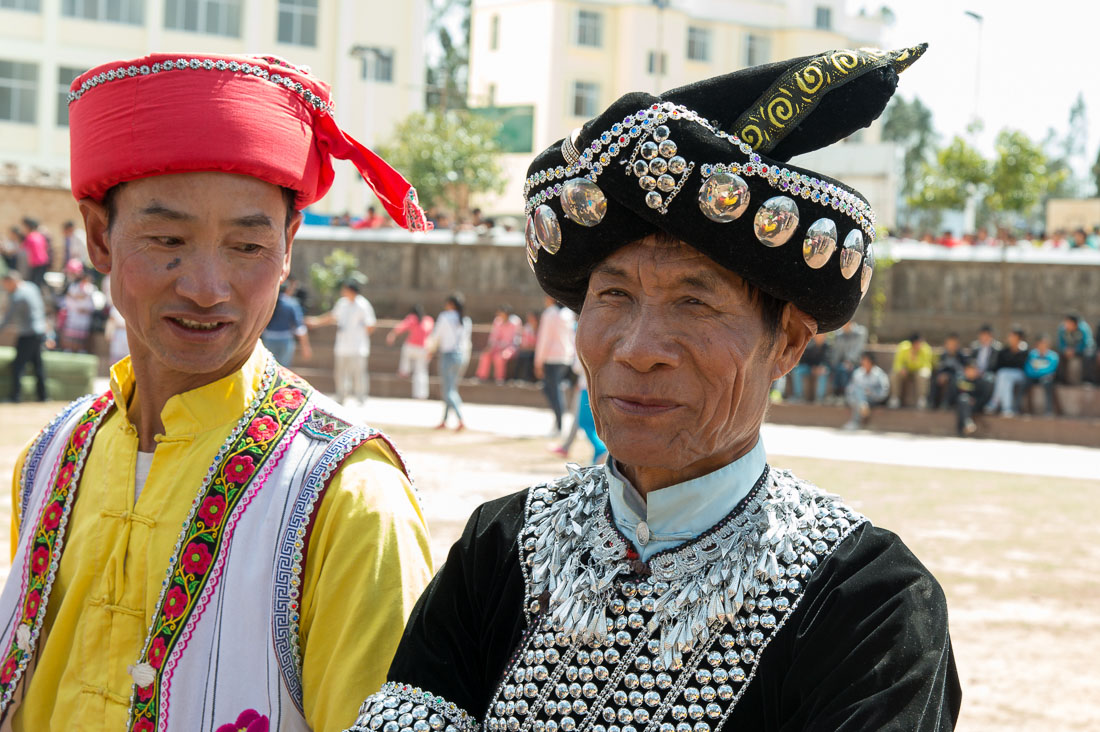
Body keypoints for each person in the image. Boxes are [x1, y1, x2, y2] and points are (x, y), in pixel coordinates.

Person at [348, 44, 959, 732]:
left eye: (694, 303)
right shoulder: (503, 547)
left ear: (787, 342)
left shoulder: (867, 600)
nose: (638, 350)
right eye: (613, 295)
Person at [0, 53, 435, 731]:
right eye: (167, 238)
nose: (207, 286)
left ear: (289, 245)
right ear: (98, 237)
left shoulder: (347, 500)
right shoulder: (49, 461)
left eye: (246, 246)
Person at [307, 279, 377, 406]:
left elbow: (371, 324)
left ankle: (361, 398)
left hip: (357, 347)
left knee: (358, 374)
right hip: (342, 346)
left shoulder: (363, 305)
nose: (342, 291)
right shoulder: (342, 303)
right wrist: (317, 322)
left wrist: (360, 335)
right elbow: (333, 316)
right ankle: (341, 396)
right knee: (340, 373)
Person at [1, 268, 49, 402]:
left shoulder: (18, 296)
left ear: (12, 281)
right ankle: (43, 396)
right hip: (39, 331)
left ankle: (15, 396)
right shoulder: (32, 287)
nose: (6, 288)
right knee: (38, 366)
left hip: (28, 334)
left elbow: (8, 318)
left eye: (6, 285)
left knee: (18, 366)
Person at [534, 296, 576, 435]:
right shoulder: (568, 313)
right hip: (566, 357)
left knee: (553, 391)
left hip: (552, 358)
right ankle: (558, 422)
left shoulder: (550, 313)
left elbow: (544, 338)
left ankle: (559, 425)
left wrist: (538, 361)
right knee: (554, 390)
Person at [430, 293, 467, 430]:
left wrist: (430, 350)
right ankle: (444, 420)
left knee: (448, 390)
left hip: (448, 355)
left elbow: (436, 336)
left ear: (451, 304)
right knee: (451, 388)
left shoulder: (444, 317)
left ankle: (460, 418)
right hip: (461, 357)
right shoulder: (465, 320)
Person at [388, 305, 434, 399]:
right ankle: (421, 394)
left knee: (405, 352)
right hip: (423, 349)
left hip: (411, 347)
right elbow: (431, 335)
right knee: (421, 372)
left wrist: (392, 334)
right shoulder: (428, 320)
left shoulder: (412, 318)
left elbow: (401, 326)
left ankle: (404, 370)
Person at [262, 282, 313, 367]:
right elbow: (300, 329)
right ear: (287, 290)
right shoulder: (291, 304)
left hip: (268, 339)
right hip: (285, 341)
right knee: (283, 368)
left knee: (268, 367)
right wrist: (305, 346)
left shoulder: (267, 303)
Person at [984, 328, 1029, 417]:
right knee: (1003, 376)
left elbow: (1022, 366)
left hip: (1021, 376)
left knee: (1003, 374)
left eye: (1013, 336)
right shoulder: (1004, 351)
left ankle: (994, 403)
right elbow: (998, 366)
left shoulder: (1024, 351)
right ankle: (1007, 408)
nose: (1011, 338)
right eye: (1010, 336)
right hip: (1004, 376)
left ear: (1019, 338)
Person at [58, 270, 104, 353]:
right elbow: (69, 300)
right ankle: (68, 348)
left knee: (82, 335)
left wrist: (86, 310)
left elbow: (94, 302)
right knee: (71, 334)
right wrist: (76, 308)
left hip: (85, 315)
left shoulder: (92, 289)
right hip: (74, 314)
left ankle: (81, 349)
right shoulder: (74, 287)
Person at [475, 304, 522, 384]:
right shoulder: (497, 321)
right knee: (485, 355)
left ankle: (499, 379)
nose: (499, 315)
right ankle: (481, 377)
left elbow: (515, 340)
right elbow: (494, 337)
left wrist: (504, 348)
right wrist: (490, 347)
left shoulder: (516, 322)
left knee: (499, 357)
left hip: (510, 348)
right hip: (497, 347)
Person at [844, 351, 890, 430]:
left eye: (866, 361)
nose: (863, 363)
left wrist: (872, 393)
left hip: (874, 399)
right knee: (859, 393)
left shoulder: (879, 374)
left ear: (871, 362)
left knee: (860, 398)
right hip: (857, 399)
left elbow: (884, 392)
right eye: (862, 360)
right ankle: (863, 406)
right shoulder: (857, 373)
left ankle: (855, 421)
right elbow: (850, 389)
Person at [887, 332, 934, 408]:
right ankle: (894, 398)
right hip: (905, 372)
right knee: (894, 374)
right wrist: (902, 369)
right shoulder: (903, 347)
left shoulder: (926, 349)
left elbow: (927, 365)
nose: (918, 345)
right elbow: (897, 363)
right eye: (917, 343)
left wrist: (915, 360)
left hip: (918, 372)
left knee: (923, 374)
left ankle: (922, 399)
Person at [829, 318, 867, 399]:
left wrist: (849, 361)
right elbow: (837, 352)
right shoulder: (839, 335)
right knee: (837, 368)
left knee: (843, 370)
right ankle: (837, 395)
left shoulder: (860, 332)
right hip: (841, 364)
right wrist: (833, 364)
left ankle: (844, 395)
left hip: (856, 363)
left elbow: (858, 350)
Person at [788, 332, 831, 402]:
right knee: (797, 371)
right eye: (819, 335)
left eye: (823, 336)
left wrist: (821, 367)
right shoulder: (809, 346)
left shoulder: (827, 347)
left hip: (821, 368)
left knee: (824, 373)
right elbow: (803, 360)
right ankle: (799, 396)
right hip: (808, 367)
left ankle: (820, 398)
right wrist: (812, 368)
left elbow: (829, 360)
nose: (821, 337)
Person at [1024, 335, 1059, 415]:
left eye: (1044, 344)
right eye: (1040, 344)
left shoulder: (1053, 356)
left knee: (1047, 383)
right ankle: (1021, 409)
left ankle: (1049, 410)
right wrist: (1037, 373)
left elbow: (1051, 369)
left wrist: (1038, 371)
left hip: (1045, 378)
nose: (1042, 346)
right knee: (1024, 383)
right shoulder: (1032, 354)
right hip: (1033, 377)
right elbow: (1028, 369)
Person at [955, 359, 991, 436]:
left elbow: (985, 397)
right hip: (963, 404)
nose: (970, 372)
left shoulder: (982, 382)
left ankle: (964, 426)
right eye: (968, 370)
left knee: (963, 403)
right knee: (963, 400)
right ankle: (967, 424)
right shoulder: (961, 380)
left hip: (976, 406)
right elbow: (956, 393)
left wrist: (975, 401)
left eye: (972, 370)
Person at [930, 332, 967, 408]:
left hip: (955, 376)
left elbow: (962, 370)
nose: (951, 346)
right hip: (944, 375)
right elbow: (940, 367)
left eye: (953, 344)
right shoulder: (943, 355)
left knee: (953, 381)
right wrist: (941, 375)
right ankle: (932, 402)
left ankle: (947, 403)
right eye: (949, 344)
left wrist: (948, 375)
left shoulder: (961, 356)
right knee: (935, 379)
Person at [1056, 313, 1094, 385]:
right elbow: (1060, 343)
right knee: (1058, 355)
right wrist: (1065, 350)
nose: (1066, 324)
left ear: (1075, 323)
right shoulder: (1062, 329)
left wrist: (1075, 351)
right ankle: (1061, 379)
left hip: (1081, 351)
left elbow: (1087, 343)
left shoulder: (1084, 328)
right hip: (1067, 350)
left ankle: (1087, 379)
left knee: (1088, 355)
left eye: (1069, 323)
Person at [20, 218, 51, 290]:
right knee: (39, 281)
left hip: (36, 263)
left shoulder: (29, 237)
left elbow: (22, 249)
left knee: (35, 284)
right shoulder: (39, 235)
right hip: (43, 261)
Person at [511, 310, 539, 382]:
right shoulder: (527, 327)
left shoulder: (541, 328)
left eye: (531, 318)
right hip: (528, 350)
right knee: (521, 355)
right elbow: (524, 342)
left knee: (529, 357)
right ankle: (516, 378)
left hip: (537, 351)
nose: (529, 319)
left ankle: (528, 379)